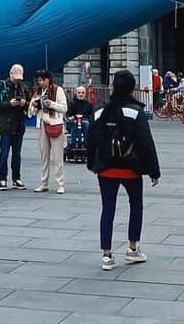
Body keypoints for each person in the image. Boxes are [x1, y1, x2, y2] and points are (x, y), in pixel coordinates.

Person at [86, 69, 160, 271]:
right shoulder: (135, 111)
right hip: (130, 168)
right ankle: (132, 248)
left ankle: (107, 255)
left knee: (107, 208)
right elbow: (146, 142)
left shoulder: (100, 110)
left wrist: (92, 163)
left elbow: (90, 138)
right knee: (136, 205)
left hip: (106, 169)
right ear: (131, 88)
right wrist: (153, 170)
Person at [30, 69, 67, 194]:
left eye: (43, 80)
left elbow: (64, 108)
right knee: (44, 157)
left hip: (55, 124)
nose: (41, 83)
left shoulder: (58, 90)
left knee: (57, 157)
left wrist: (50, 104)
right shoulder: (37, 92)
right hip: (41, 125)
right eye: (39, 80)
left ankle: (60, 184)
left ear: (49, 79)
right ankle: (44, 183)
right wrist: (35, 106)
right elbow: (31, 113)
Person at [0, 63, 29, 190]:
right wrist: (9, 103)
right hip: (6, 125)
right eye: (16, 78)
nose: (17, 81)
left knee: (17, 154)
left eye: (19, 79)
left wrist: (25, 103)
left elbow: (29, 105)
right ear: (10, 75)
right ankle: (2, 179)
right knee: (4, 153)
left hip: (19, 125)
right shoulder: (2, 86)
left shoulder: (23, 87)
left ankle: (16, 178)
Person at [66, 84, 93, 157]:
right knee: (75, 124)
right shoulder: (71, 103)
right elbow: (68, 115)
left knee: (86, 123)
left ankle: (87, 144)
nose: (81, 94)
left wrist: (87, 120)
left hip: (85, 123)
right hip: (73, 123)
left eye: (82, 93)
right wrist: (70, 118)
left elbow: (91, 116)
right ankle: (73, 144)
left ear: (85, 94)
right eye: (79, 92)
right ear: (76, 93)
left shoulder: (89, 104)